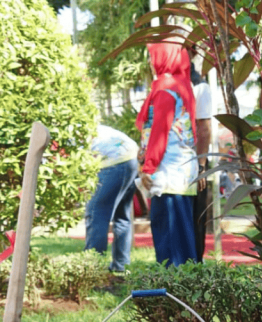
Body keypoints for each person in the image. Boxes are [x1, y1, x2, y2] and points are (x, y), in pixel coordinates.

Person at [136, 42, 199, 267]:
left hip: (167, 170)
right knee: (181, 238)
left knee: (169, 240)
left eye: (154, 58)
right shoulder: (182, 85)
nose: (152, 65)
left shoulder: (165, 89)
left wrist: (148, 168)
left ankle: (173, 294)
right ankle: (186, 292)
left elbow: (159, 133)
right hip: (181, 169)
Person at [84, 124, 139, 273]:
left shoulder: (69, 133)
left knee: (96, 213)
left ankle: (92, 269)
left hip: (114, 162)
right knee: (122, 215)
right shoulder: (87, 124)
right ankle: (121, 265)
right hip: (131, 158)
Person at [191, 60, 213, 262]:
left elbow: (204, 130)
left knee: (197, 220)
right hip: (175, 164)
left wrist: (201, 166)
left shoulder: (199, 86)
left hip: (196, 162)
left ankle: (196, 264)